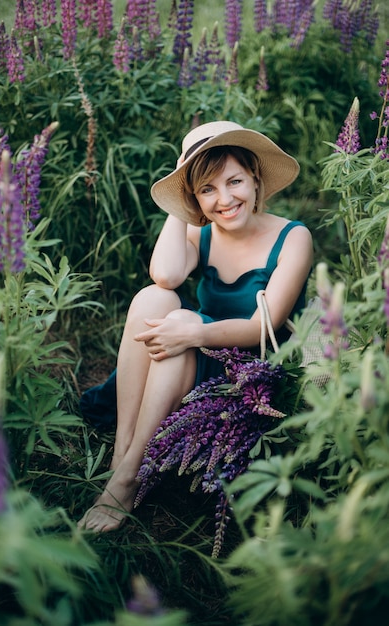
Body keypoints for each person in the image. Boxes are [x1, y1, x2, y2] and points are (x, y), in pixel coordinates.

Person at [78, 120, 313, 532]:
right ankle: (122, 455)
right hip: (195, 355)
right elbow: (166, 276)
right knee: (154, 298)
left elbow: (266, 325)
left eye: (234, 181)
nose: (224, 199)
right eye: (206, 189)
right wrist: (180, 201)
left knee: (182, 322)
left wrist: (195, 332)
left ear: (256, 178)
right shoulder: (200, 230)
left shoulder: (293, 237)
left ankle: (129, 478)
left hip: (248, 375)